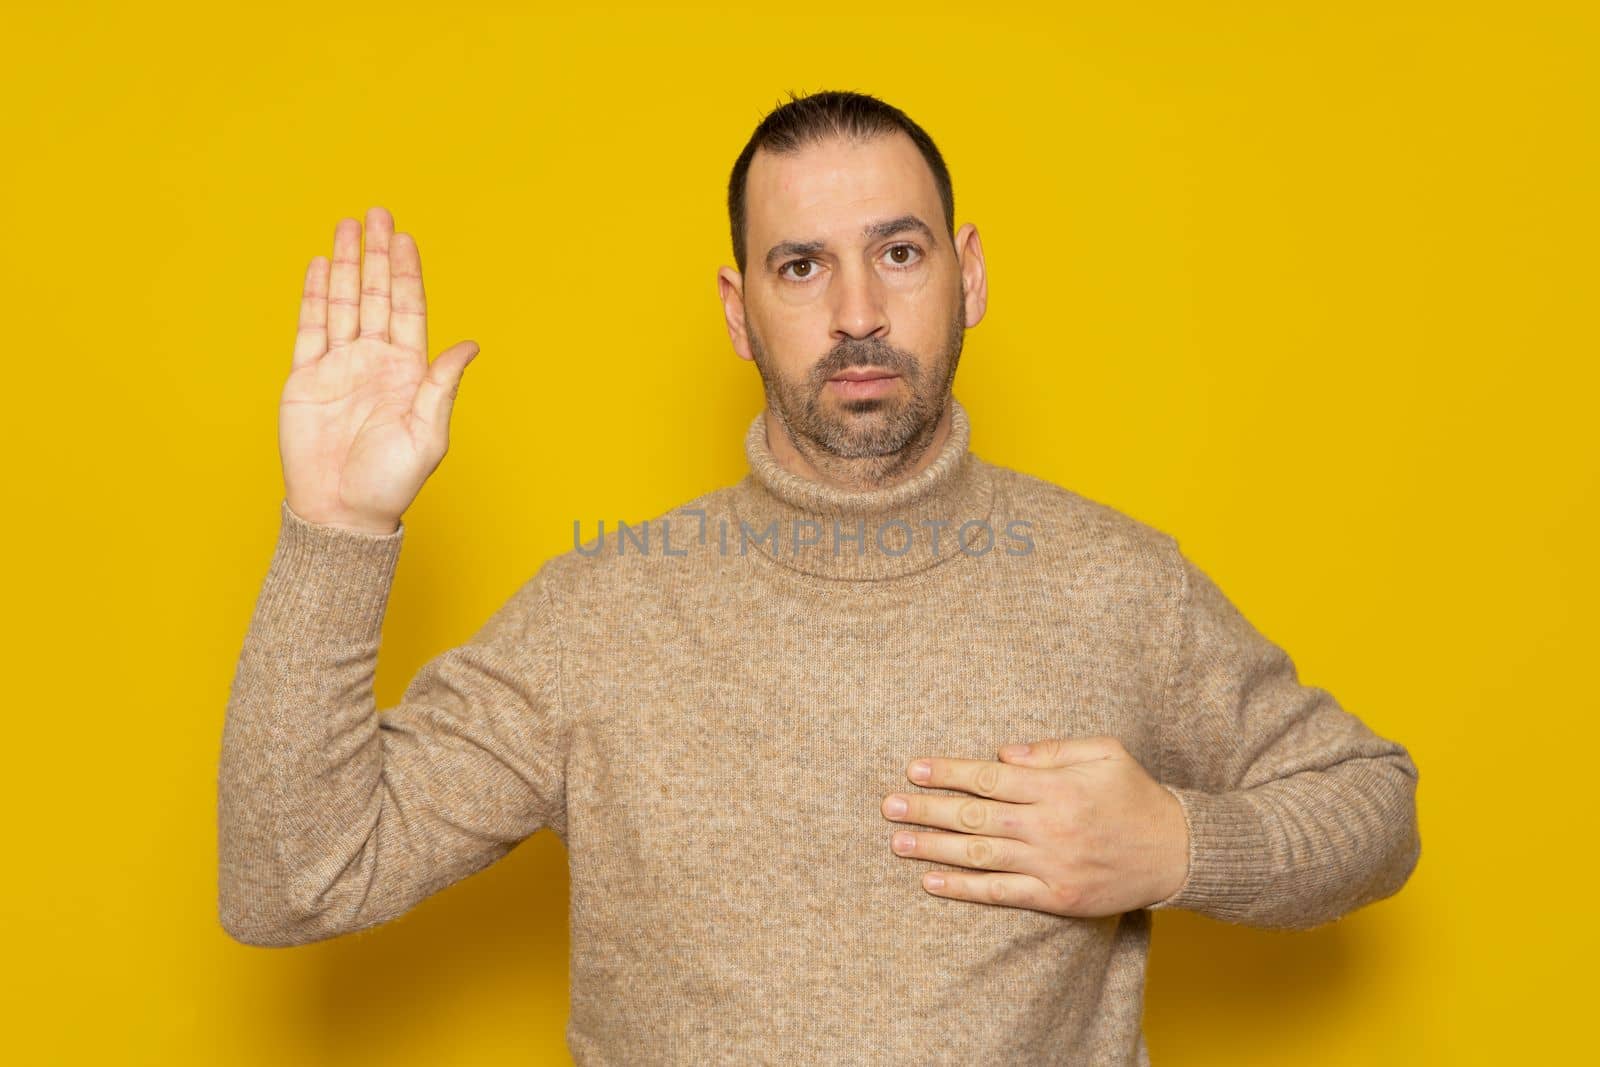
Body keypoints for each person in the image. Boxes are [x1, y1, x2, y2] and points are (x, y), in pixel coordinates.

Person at [217, 89, 1421, 1064]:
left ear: (969, 275)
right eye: (800, 267)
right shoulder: (601, 613)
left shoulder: (1118, 585)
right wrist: (337, 525)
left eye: (897, 253)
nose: (857, 312)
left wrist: (1179, 846)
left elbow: (1376, 806)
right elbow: (293, 880)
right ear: (740, 313)